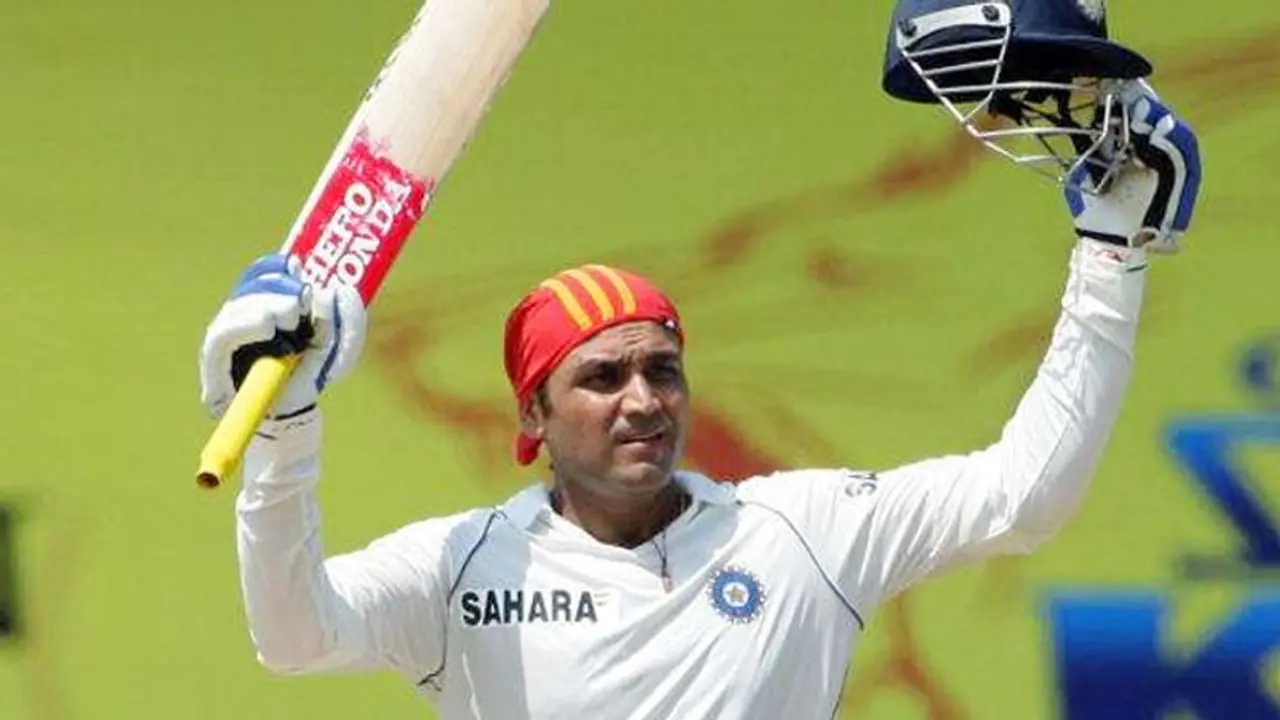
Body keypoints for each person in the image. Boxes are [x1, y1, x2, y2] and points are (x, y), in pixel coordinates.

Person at [198, 79, 1200, 719]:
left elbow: (1025, 498)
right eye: (600, 376)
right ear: (531, 418)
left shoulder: (801, 530)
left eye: (661, 369)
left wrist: (1110, 259)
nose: (642, 399)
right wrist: (284, 433)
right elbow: (294, 638)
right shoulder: (460, 567)